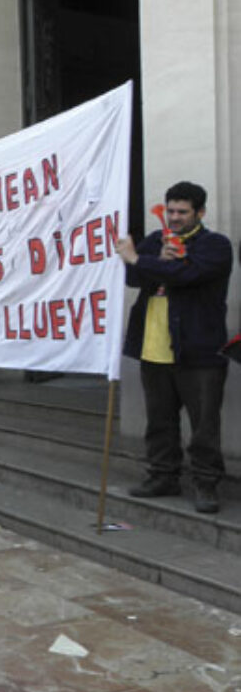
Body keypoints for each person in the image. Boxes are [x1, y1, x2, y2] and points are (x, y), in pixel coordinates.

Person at [116, 181, 232, 513]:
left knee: (204, 426)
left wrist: (143, 260)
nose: (175, 217)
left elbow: (187, 274)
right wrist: (148, 261)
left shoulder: (215, 245)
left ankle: (206, 484)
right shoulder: (156, 241)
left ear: (200, 213)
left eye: (182, 212)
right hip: (153, 348)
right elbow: (133, 277)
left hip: (199, 352)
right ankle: (162, 476)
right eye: (170, 211)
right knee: (160, 421)